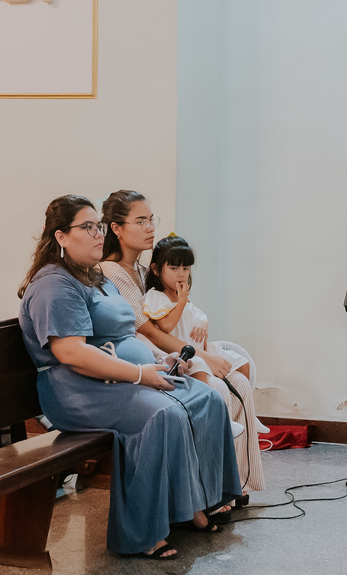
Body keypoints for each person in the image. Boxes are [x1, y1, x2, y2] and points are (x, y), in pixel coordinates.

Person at [18, 195, 240, 559]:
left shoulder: (96, 277)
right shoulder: (54, 285)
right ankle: (142, 534)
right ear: (60, 236)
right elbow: (70, 353)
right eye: (86, 227)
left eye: (98, 226)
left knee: (206, 400)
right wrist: (139, 374)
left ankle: (193, 506)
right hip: (76, 389)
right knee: (160, 414)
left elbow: (128, 333)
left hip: (119, 378)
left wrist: (160, 357)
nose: (96, 234)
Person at [98, 190, 265, 498]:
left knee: (240, 384)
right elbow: (149, 331)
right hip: (152, 358)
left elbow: (175, 314)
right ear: (117, 228)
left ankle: (235, 483)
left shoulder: (140, 269)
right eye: (140, 221)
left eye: (151, 220)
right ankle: (206, 493)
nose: (150, 227)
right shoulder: (112, 272)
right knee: (215, 390)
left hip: (170, 350)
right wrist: (203, 357)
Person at [142, 235, 267, 495]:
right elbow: (164, 326)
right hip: (182, 355)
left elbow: (198, 318)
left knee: (240, 368)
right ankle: (214, 410)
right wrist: (182, 300)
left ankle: (243, 467)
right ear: (156, 269)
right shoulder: (156, 297)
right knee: (205, 371)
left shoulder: (184, 296)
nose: (181, 274)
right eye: (173, 268)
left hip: (199, 349)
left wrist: (204, 321)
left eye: (185, 268)